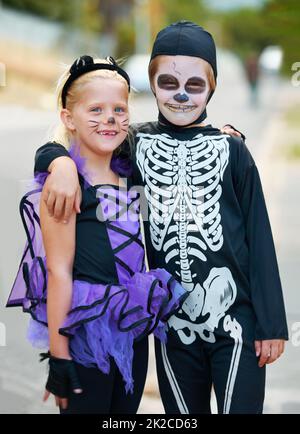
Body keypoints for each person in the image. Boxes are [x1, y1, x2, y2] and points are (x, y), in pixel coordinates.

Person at [30, 21, 288, 414]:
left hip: (237, 321)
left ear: (212, 87)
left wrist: (272, 325)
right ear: (151, 85)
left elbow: (259, 237)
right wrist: (57, 162)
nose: (181, 94)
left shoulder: (232, 150)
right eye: (168, 83)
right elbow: (78, 137)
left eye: (195, 86)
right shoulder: (134, 144)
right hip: (172, 325)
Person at [6, 55, 188, 414]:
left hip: (132, 328)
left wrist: (220, 137)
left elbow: (170, 134)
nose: (109, 119)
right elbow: (58, 272)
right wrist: (59, 359)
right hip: (86, 333)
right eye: (96, 110)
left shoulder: (130, 174)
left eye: (119, 109)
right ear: (68, 119)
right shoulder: (64, 186)